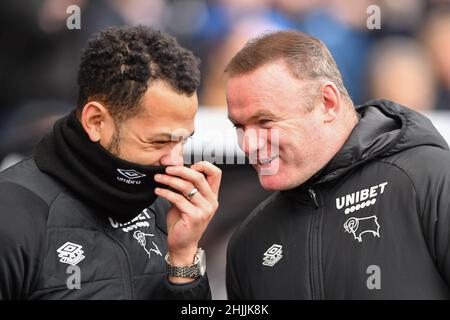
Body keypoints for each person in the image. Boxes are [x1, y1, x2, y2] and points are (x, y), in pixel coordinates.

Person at [0, 25, 222, 300]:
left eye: (183, 141)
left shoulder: (169, 206)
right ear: (96, 121)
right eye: (159, 142)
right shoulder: (12, 212)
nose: (175, 162)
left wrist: (184, 258)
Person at [225, 30, 450, 299]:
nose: (249, 144)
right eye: (240, 126)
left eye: (265, 122)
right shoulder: (250, 240)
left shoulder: (430, 179)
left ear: (327, 103)